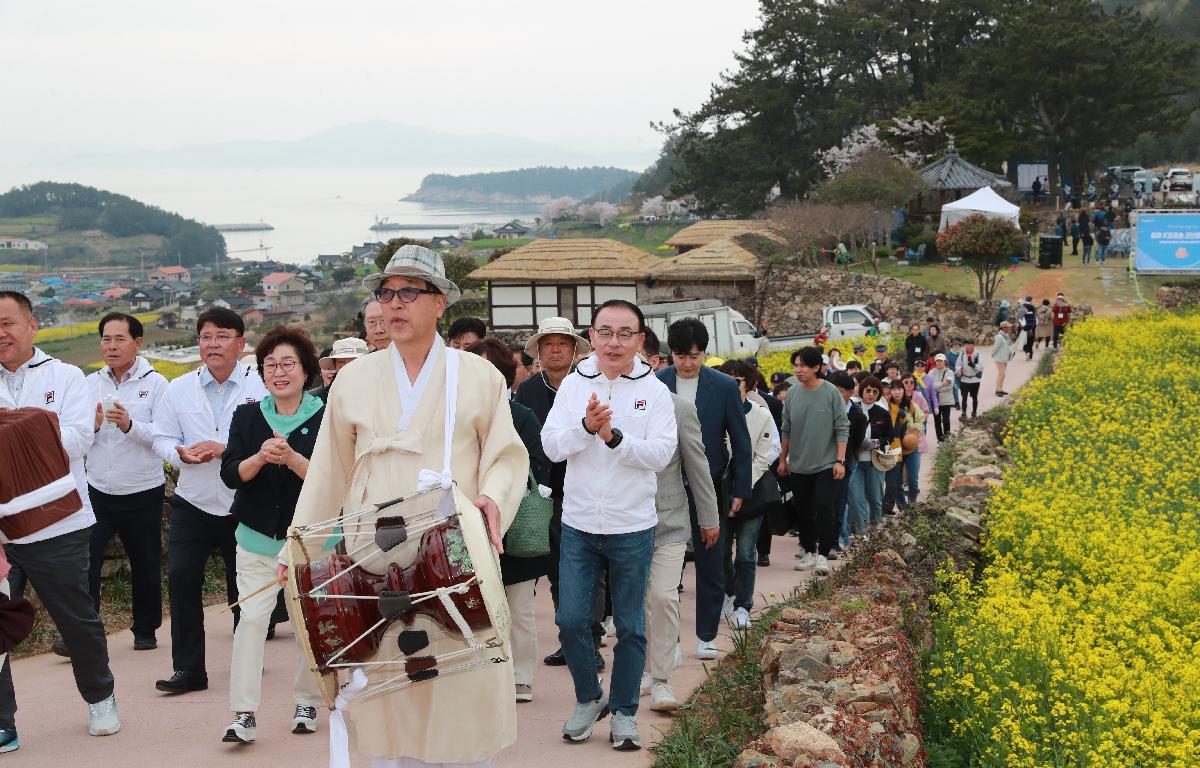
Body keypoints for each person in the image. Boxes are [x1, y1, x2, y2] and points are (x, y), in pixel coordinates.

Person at [290, 245, 529, 767]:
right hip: (374, 565)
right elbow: (329, 471)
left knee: (459, 695)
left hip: (450, 562)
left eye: (409, 292)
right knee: (387, 699)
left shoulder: (478, 375)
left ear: (439, 302)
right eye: (386, 293)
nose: (393, 304)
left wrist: (491, 500)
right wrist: (299, 554)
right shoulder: (353, 378)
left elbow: (507, 456)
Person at [542, 300, 676, 751]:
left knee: (632, 626)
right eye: (605, 332)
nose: (613, 342)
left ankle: (623, 712)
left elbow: (660, 454)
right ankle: (588, 696)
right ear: (592, 336)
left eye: (624, 333)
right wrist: (585, 427)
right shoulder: (574, 386)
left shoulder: (654, 391)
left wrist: (613, 437)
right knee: (571, 619)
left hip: (632, 524)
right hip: (580, 522)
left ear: (640, 340)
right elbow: (551, 445)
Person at [0, 291, 120, 745]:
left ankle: (100, 697)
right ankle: (3, 720)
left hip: (58, 524)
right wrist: (34, 429)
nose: (1, 333)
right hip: (1, 532)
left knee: (76, 618)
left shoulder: (68, 376)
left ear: (32, 326)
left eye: (8, 323)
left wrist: (14, 433)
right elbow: (56, 435)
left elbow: (77, 439)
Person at [152, 308, 268, 694]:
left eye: (222, 336)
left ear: (241, 343)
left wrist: (227, 450)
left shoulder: (261, 387)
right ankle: (188, 670)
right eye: (205, 336)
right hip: (193, 500)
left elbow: (271, 439)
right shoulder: (179, 388)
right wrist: (179, 454)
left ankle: (247, 658)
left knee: (244, 586)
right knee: (182, 578)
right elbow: (161, 437)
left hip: (244, 502)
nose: (212, 344)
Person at [218, 326, 325, 744]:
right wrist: (260, 458)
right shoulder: (247, 416)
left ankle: (306, 701)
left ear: (305, 370)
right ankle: (243, 713)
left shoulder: (326, 415)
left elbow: (336, 481)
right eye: (270, 365)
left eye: (288, 364)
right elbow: (231, 474)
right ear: (261, 372)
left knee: (306, 624)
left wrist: (295, 459)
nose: (279, 372)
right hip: (257, 540)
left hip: (312, 540)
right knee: (251, 621)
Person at [657, 317, 752, 661]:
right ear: (672, 355)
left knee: (712, 560)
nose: (687, 363)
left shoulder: (725, 386)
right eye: (681, 356)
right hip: (666, 486)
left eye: (694, 356)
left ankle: (706, 634)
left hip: (709, 485)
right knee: (667, 567)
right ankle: (671, 642)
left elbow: (741, 443)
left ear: (703, 353)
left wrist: (741, 489)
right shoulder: (656, 383)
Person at [467, 336, 550, 705]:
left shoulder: (522, 417)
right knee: (474, 603)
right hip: (466, 525)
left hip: (514, 527)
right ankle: (482, 672)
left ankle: (521, 675)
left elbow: (538, 468)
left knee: (518, 605)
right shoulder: (458, 420)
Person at [513, 317, 600, 669]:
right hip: (542, 494)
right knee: (552, 568)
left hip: (584, 488)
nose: (555, 349)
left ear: (575, 349)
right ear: (538, 350)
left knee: (585, 568)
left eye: (562, 343)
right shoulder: (528, 390)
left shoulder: (588, 386)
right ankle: (569, 643)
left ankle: (590, 643)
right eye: (547, 343)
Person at [85, 312, 169, 652]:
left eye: (120, 339)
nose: (112, 346)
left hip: (142, 490)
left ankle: (145, 629)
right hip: (97, 489)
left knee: (146, 562)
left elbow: (164, 434)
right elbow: (76, 436)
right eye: (106, 339)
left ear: (137, 343)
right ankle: (85, 630)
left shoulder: (156, 384)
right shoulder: (90, 383)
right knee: (84, 560)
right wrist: (90, 425)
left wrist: (129, 424)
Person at [639, 345, 716, 713]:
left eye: (642, 359)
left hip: (669, 521)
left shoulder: (680, 408)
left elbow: (697, 466)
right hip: (622, 525)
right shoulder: (605, 406)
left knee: (664, 597)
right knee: (635, 604)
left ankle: (662, 679)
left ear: (656, 363)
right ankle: (641, 668)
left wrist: (709, 517)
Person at [715, 360, 778, 625]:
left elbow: (764, 457)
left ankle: (743, 605)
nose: (732, 386)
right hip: (719, 491)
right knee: (719, 551)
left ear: (749, 384)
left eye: (738, 381)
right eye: (727, 380)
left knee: (745, 551)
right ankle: (728, 594)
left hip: (751, 492)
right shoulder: (713, 414)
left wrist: (741, 487)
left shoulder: (761, 415)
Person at [776, 347, 848, 575]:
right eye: (796, 365)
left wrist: (840, 460)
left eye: (804, 365)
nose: (799, 370)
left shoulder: (830, 392)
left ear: (817, 367)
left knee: (825, 507)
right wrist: (783, 460)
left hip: (826, 463)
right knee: (803, 510)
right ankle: (809, 551)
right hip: (798, 464)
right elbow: (785, 429)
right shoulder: (793, 394)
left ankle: (824, 554)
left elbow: (842, 427)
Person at [827, 371, 866, 556]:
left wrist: (842, 460)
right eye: (833, 390)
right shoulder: (824, 409)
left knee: (839, 502)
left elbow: (857, 442)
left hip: (846, 463)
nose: (836, 394)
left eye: (841, 391)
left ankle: (836, 541)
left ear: (851, 392)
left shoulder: (858, 416)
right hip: (823, 462)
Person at [847, 374, 890, 533]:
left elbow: (889, 436)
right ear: (862, 390)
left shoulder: (882, 412)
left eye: (875, 392)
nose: (871, 394)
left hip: (875, 461)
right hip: (856, 461)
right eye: (868, 390)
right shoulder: (853, 408)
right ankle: (860, 532)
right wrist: (858, 443)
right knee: (856, 498)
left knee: (875, 498)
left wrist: (875, 443)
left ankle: (874, 529)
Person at [880, 379, 914, 517]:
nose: (887, 397)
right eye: (885, 394)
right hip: (880, 449)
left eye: (889, 394)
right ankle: (880, 508)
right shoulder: (878, 409)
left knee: (892, 482)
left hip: (894, 450)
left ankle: (887, 508)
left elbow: (899, 433)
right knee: (879, 482)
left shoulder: (901, 411)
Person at [310, 336, 367, 401]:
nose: (348, 369)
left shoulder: (378, 392)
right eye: (342, 364)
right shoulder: (316, 400)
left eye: (355, 363)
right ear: (335, 367)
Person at [928, 354, 954, 441]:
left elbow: (949, 386)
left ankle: (947, 438)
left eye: (941, 361)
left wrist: (936, 387)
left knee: (946, 420)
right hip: (935, 401)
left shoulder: (949, 372)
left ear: (944, 362)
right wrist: (942, 383)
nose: (939, 363)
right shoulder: (931, 372)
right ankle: (940, 440)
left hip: (946, 400)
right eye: (937, 361)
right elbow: (929, 386)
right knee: (937, 421)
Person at [955, 340, 983, 418]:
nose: (967, 346)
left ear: (973, 345)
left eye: (969, 344)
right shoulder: (962, 354)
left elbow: (981, 367)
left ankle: (974, 412)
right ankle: (964, 413)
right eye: (965, 345)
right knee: (964, 397)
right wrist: (959, 370)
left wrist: (973, 366)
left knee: (975, 397)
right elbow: (957, 365)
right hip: (964, 379)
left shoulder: (978, 354)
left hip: (975, 379)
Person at [992, 321, 1014, 397]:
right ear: (1004, 328)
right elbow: (996, 347)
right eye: (1008, 327)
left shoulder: (1005, 336)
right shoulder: (1000, 337)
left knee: (1002, 375)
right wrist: (993, 353)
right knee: (1002, 374)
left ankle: (1000, 389)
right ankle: (998, 390)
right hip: (999, 358)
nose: (1009, 329)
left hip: (1004, 358)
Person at [945, 339, 963, 410]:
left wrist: (961, 371)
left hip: (962, 374)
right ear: (952, 346)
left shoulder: (963, 354)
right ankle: (957, 403)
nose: (956, 346)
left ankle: (962, 401)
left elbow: (965, 363)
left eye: (957, 345)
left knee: (963, 389)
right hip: (952, 374)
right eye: (954, 345)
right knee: (955, 387)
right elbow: (947, 365)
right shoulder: (948, 354)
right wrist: (956, 371)